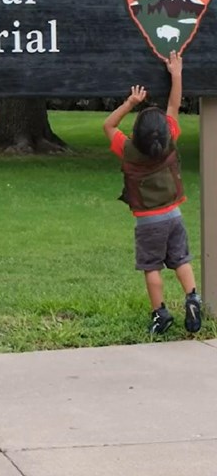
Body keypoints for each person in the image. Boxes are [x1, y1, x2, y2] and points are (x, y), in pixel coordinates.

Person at [102, 51, 201, 335]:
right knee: (180, 260)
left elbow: (108, 125)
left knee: (152, 267)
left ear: (137, 133)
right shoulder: (171, 139)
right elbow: (173, 104)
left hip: (148, 222)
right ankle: (192, 295)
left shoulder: (128, 150)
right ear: (164, 132)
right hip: (175, 215)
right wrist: (176, 73)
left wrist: (130, 102)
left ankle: (161, 314)